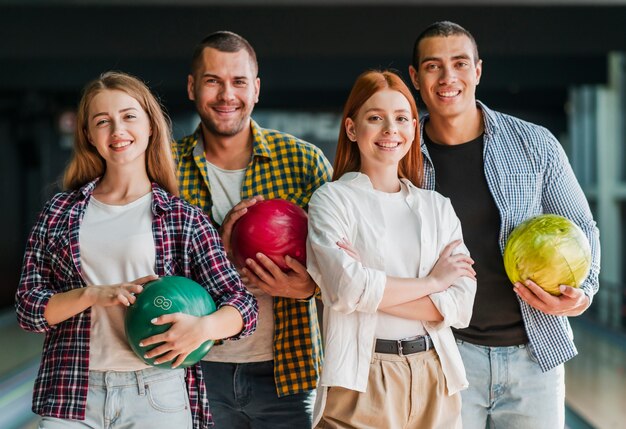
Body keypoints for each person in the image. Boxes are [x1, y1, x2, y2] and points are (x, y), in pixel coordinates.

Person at [15, 71, 257, 429]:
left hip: (156, 393)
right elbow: (29, 309)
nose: (117, 131)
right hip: (73, 391)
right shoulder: (60, 213)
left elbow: (242, 306)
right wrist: (91, 294)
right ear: (88, 135)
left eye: (129, 116)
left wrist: (203, 327)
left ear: (150, 126)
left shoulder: (182, 219)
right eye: (102, 121)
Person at [408, 21, 601, 428]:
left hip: (535, 357)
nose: (448, 78)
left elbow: (583, 226)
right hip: (445, 354)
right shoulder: (402, 155)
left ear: (477, 71)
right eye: (433, 66)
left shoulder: (534, 144)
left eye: (460, 63)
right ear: (415, 77)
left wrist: (581, 293)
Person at [172, 31, 332, 428]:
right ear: (192, 87)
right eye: (213, 81)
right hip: (195, 368)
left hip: (288, 371)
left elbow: (345, 258)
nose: (227, 94)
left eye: (239, 81)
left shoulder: (303, 162)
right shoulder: (165, 167)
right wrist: (219, 258)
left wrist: (311, 285)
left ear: (256, 89)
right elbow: (149, 267)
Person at [306, 69, 477, 429]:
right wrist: (433, 283)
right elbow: (345, 289)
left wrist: (369, 287)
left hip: (436, 373)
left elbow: (460, 306)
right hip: (362, 374)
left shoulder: (437, 207)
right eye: (375, 118)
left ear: (414, 128)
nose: (390, 130)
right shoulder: (332, 199)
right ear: (352, 129)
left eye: (401, 118)